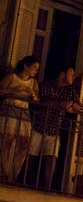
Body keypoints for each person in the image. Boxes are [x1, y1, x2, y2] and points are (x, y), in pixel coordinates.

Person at [30, 66, 81, 190]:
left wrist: (72, 104)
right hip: (39, 125)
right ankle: (28, 183)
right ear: (62, 74)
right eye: (71, 74)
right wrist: (62, 104)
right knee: (31, 156)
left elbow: (79, 108)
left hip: (54, 129)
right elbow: (43, 101)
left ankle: (47, 188)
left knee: (51, 158)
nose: (73, 77)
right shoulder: (47, 85)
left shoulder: (71, 91)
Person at [0, 55, 40, 184]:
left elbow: (37, 99)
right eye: (34, 67)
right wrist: (14, 90)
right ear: (25, 66)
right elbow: (1, 90)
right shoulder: (12, 77)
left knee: (23, 145)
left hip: (23, 114)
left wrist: (33, 96)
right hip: (10, 111)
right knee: (6, 143)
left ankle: (13, 175)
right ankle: (5, 174)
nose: (35, 71)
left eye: (37, 69)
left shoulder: (33, 82)